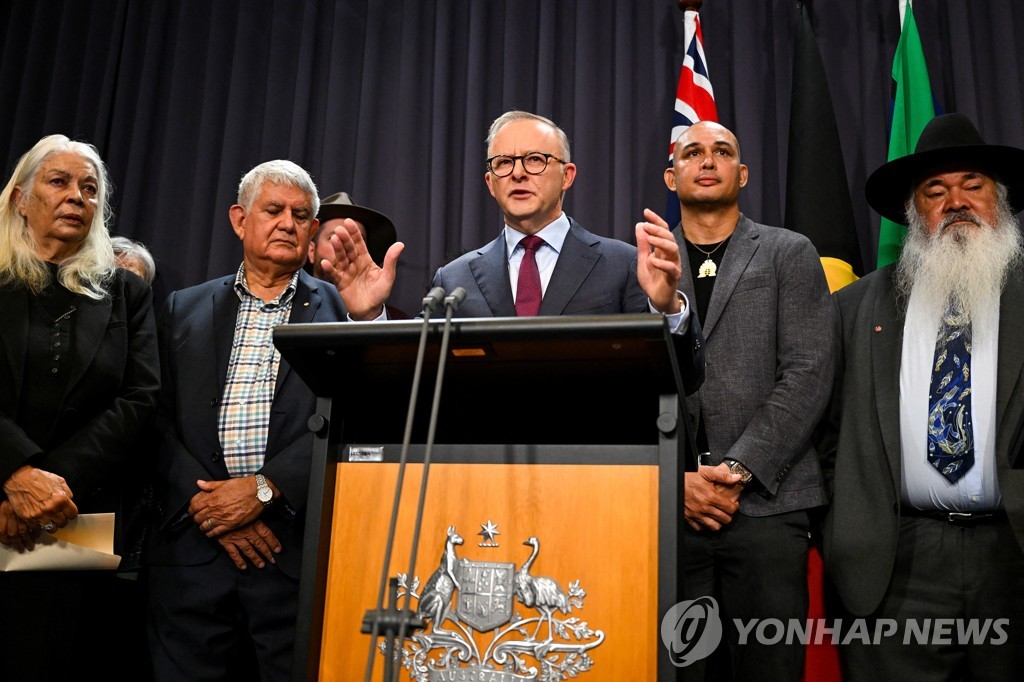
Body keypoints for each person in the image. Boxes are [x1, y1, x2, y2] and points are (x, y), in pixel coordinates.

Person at [820, 113, 1024, 680]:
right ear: (914, 213)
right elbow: (826, 433)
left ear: (1000, 201)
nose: (955, 201)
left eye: (973, 186)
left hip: (1013, 552)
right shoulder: (854, 309)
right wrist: (841, 527)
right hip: (894, 562)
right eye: (936, 191)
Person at [146, 160, 352, 681]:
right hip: (192, 553)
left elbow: (349, 413)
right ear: (240, 219)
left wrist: (263, 491)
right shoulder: (182, 307)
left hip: (289, 554)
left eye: (302, 215)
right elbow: (152, 416)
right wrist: (207, 504)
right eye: (274, 210)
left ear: (312, 232)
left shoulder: (336, 309)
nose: (287, 222)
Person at [322, 110, 703, 388]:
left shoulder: (621, 264)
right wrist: (370, 318)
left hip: (595, 475)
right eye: (504, 163)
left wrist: (667, 310)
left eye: (535, 160)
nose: (518, 173)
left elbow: (682, 381)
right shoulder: (453, 280)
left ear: (567, 175)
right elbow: (417, 386)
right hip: (483, 476)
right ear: (490, 182)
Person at [658, 120, 834, 680]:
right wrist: (676, 479)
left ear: (743, 172)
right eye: (692, 152)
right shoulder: (643, 262)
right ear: (671, 175)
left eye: (722, 151)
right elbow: (630, 381)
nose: (707, 160)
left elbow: (808, 372)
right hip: (671, 511)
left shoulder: (789, 252)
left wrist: (736, 469)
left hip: (767, 510)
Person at [0, 134, 160, 680]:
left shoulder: (124, 293)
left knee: (53, 658)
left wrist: (46, 486)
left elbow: (140, 398)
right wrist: (12, 474)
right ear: (22, 198)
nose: (77, 197)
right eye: (60, 182)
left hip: (75, 513)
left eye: (90, 189)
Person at [309, 191, 408, 318]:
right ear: (311, 251)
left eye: (356, 240)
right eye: (335, 238)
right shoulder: (290, 309)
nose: (346, 246)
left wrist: (370, 315)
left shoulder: (397, 321)